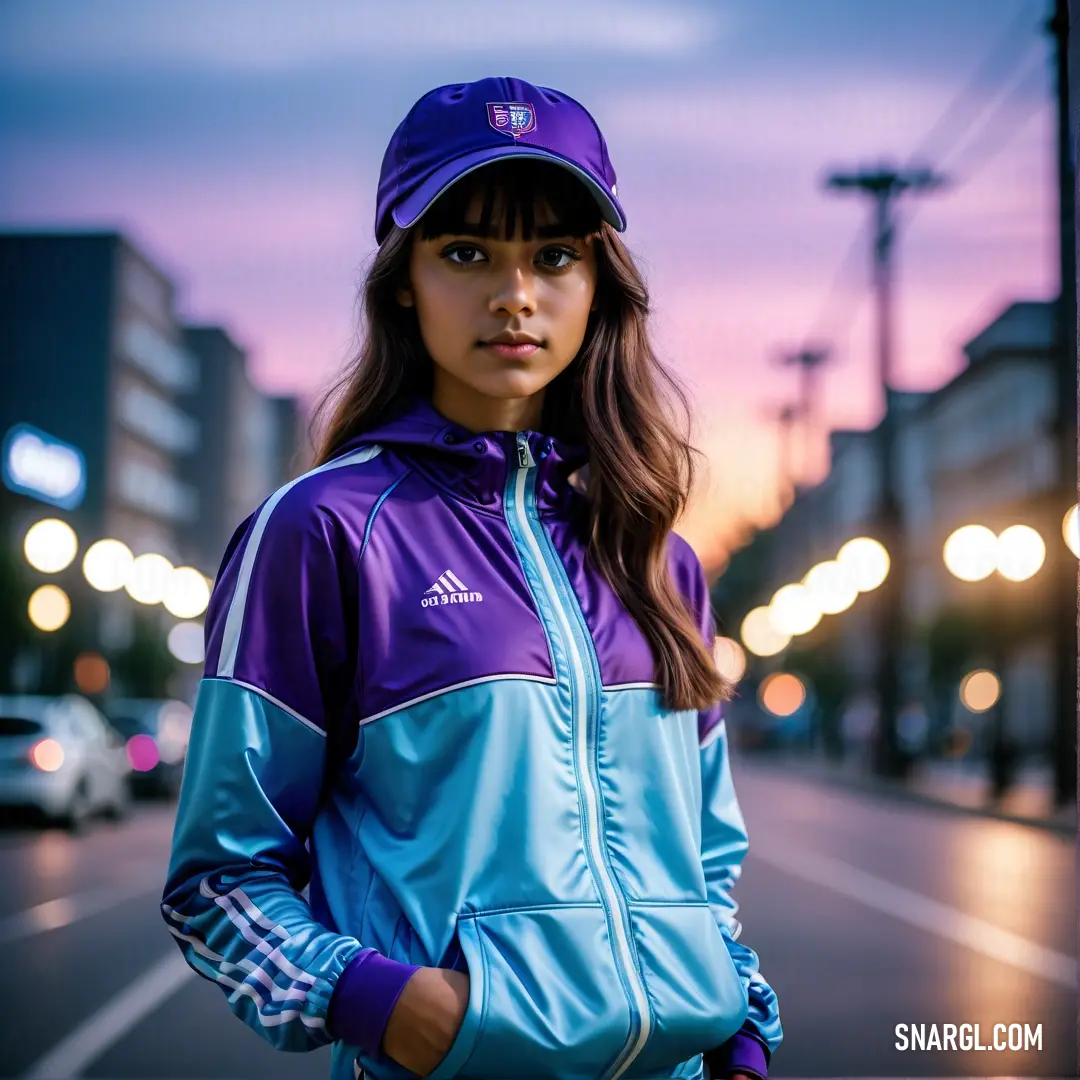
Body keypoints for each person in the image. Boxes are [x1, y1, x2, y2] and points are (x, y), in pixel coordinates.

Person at [161, 76, 782, 1080]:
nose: (515, 297)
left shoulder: (657, 559)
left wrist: (739, 1032)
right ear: (402, 277)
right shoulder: (323, 532)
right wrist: (382, 1001)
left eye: (553, 256)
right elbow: (219, 880)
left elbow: (705, 864)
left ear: (599, 280)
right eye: (465, 253)